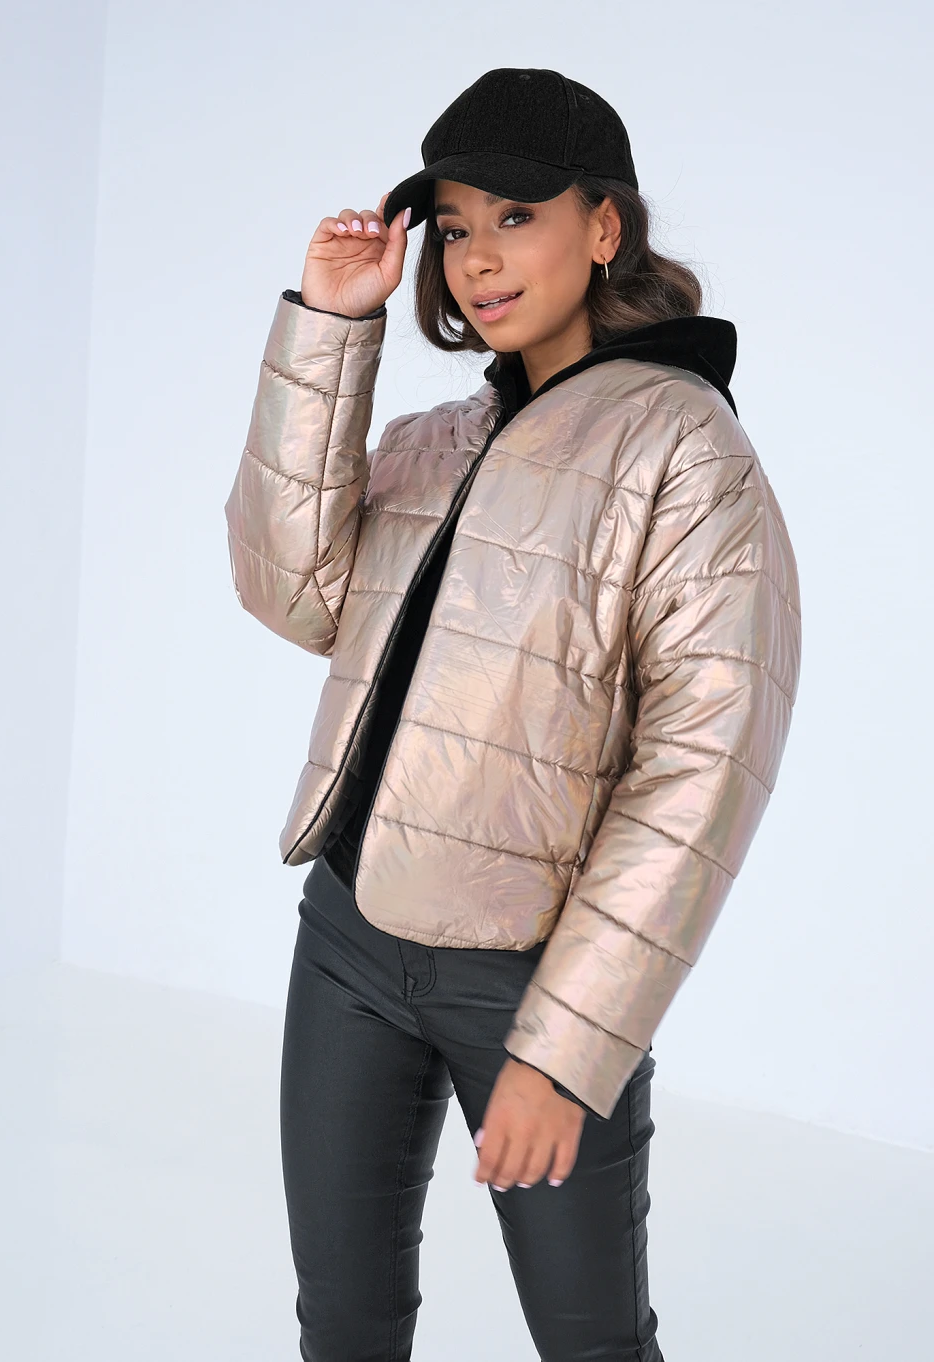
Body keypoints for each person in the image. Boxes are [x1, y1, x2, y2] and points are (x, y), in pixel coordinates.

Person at [223, 66, 801, 1362]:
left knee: (593, 1345)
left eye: (517, 216)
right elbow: (290, 593)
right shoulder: (439, 438)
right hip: (349, 938)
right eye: (455, 226)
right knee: (344, 1323)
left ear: (605, 227)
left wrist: (567, 1045)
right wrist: (330, 329)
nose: (478, 258)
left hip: (532, 976)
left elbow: (700, 771)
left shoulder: (687, 453)